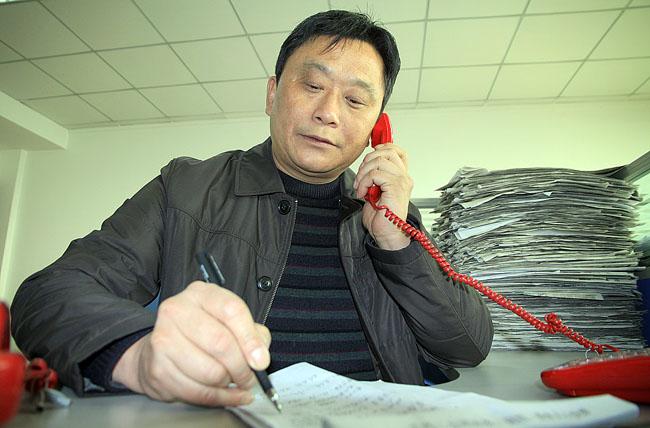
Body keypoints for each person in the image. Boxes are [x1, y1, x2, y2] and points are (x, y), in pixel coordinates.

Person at [11, 10, 493, 407]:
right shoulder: (186, 188)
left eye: (354, 100)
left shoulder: (390, 215)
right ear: (272, 93)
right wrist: (135, 354)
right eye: (312, 86)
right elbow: (49, 293)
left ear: (376, 128)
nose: (329, 112)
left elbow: (468, 346)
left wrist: (395, 242)